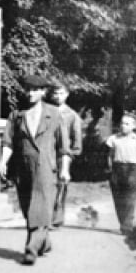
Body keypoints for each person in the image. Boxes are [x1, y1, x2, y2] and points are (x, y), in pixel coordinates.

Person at [0, 75, 71, 265]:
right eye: (27, 89)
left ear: (43, 92)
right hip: (22, 169)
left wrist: (65, 169)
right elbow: (8, 142)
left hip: (47, 168)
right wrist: (2, 162)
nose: (30, 94)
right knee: (28, 207)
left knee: (40, 207)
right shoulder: (17, 115)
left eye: (34, 90)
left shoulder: (54, 114)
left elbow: (64, 147)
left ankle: (31, 249)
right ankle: (43, 242)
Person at [47, 80, 83, 228]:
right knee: (47, 185)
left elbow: (77, 138)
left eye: (61, 93)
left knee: (60, 185)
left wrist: (71, 154)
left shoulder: (71, 115)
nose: (58, 96)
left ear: (67, 95)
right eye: (55, 93)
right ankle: (47, 217)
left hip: (64, 155)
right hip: (47, 152)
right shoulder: (46, 111)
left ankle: (57, 218)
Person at [104, 111, 136, 234]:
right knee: (118, 198)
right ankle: (123, 224)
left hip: (132, 169)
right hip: (117, 169)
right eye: (122, 123)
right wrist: (110, 169)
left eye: (127, 124)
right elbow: (109, 155)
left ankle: (127, 226)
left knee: (130, 198)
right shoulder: (113, 139)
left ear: (134, 126)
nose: (123, 126)